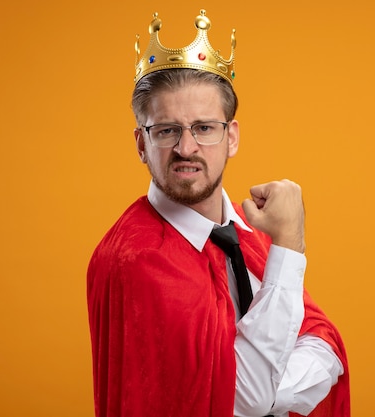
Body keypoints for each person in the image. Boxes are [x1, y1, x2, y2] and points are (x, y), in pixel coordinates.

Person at [87, 10, 350, 417]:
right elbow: (244, 399)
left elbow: (324, 342)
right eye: (166, 130)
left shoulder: (250, 236)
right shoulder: (135, 258)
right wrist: (290, 246)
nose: (187, 148)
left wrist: (272, 389)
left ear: (232, 137)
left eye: (205, 128)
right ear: (141, 143)